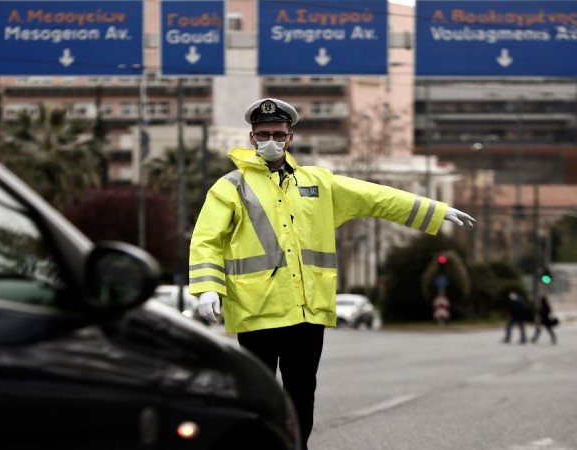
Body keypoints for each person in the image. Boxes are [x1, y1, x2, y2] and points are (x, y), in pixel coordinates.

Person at [187, 98, 475, 449]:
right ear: (251, 137)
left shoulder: (318, 183)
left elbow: (376, 197)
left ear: (291, 137)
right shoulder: (230, 187)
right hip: (255, 312)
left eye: (278, 133)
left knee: (302, 396)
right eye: (264, 134)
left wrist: (433, 209)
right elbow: (206, 240)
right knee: (257, 397)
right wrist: (206, 288)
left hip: (307, 311)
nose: (271, 140)